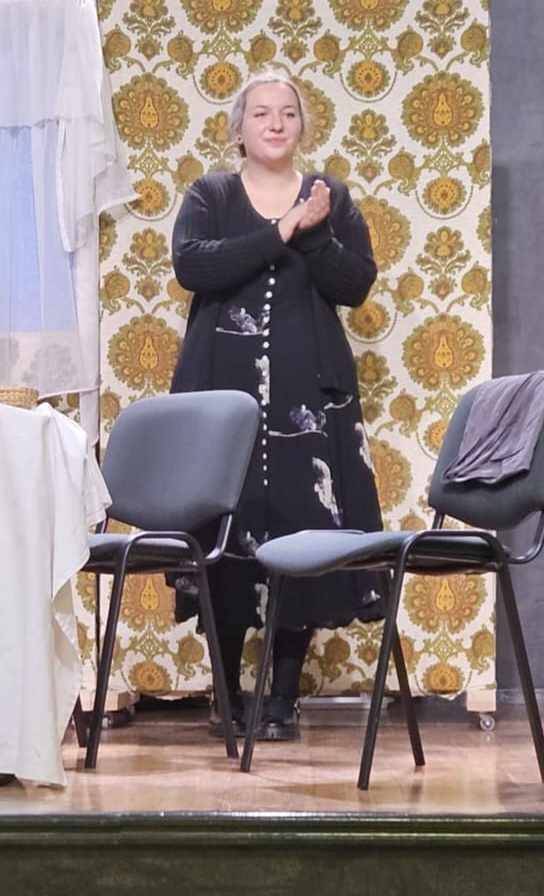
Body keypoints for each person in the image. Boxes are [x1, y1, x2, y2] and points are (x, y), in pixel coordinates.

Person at [169, 70, 382, 741]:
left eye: (288, 112)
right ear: (238, 130)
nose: (276, 122)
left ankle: (283, 696)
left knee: (303, 530)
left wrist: (312, 233)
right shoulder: (210, 194)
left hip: (307, 398)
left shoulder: (329, 196)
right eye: (261, 113)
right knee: (224, 536)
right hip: (221, 397)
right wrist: (282, 230)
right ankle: (227, 693)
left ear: (302, 127)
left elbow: (355, 285)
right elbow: (193, 266)